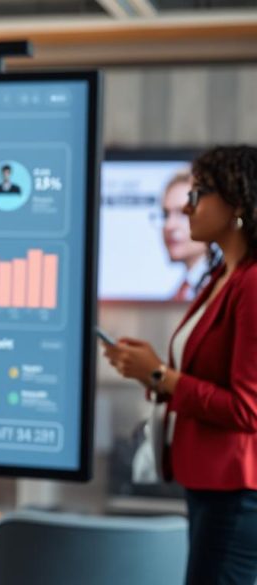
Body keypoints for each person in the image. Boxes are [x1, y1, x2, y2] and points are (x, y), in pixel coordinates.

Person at [103, 145, 257, 585]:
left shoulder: (251, 283)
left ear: (238, 204)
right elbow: (204, 378)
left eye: (200, 194)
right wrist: (148, 371)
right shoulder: (219, 277)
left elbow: (247, 409)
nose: (189, 207)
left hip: (237, 489)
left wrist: (159, 374)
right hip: (209, 484)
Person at [161, 169, 210, 301]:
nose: (169, 225)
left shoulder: (224, 287)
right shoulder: (183, 290)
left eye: (183, 213)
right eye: (166, 214)